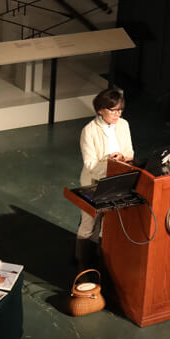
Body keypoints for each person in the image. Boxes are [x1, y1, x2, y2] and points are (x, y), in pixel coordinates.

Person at [76, 87, 134, 262]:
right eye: (113, 110)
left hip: (116, 181)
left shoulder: (123, 125)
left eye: (120, 110)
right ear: (100, 109)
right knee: (88, 223)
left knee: (108, 225)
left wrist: (122, 157)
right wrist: (110, 162)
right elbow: (90, 164)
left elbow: (130, 153)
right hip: (94, 181)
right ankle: (81, 261)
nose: (117, 114)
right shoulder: (89, 131)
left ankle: (102, 260)